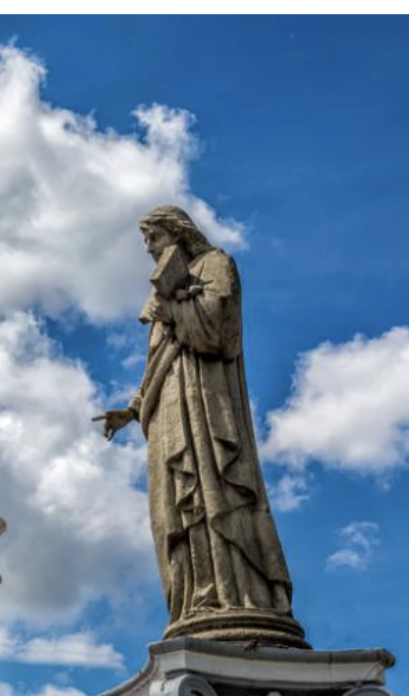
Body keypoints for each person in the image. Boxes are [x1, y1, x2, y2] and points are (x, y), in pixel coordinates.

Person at [95, 206, 304, 646]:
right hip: (169, 407)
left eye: (153, 238)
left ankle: (239, 594)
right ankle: (198, 596)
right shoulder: (163, 295)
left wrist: (174, 305)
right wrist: (131, 410)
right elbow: (157, 361)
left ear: (177, 232)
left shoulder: (215, 264)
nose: (149, 250)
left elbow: (217, 332)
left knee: (216, 488)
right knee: (178, 501)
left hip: (205, 398)